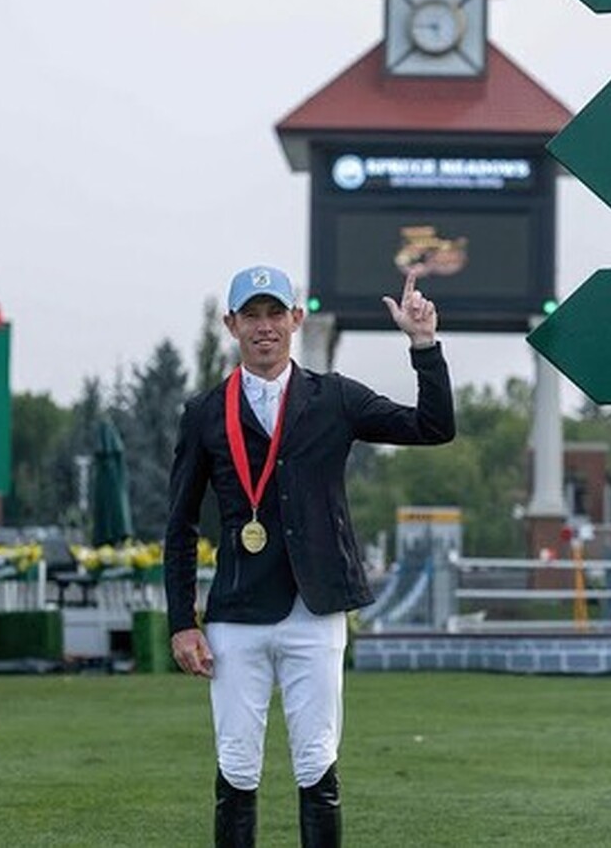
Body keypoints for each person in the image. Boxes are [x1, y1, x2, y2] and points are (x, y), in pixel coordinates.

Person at [163, 264, 455, 847]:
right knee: (236, 765)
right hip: (237, 614)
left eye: (276, 313)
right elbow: (180, 525)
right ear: (231, 324)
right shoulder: (205, 413)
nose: (264, 327)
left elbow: (433, 426)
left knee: (317, 762)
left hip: (315, 610)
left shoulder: (335, 397)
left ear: (296, 319)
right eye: (252, 316)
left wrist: (423, 346)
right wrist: (181, 622)